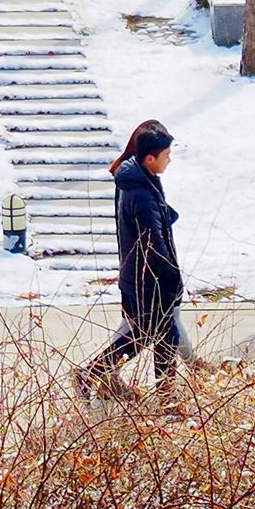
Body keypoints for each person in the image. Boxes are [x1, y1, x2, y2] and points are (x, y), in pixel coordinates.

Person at [79, 121, 185, 399]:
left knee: (150, 336)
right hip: (148, 280)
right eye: (166, 155)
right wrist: (172, 277)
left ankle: (91, 375)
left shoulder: (141, 181)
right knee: (159, 336)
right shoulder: (140, 191)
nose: (169, 160)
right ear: (150, 158)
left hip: (139, 277)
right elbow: (153, 243)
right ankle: (165, 397)